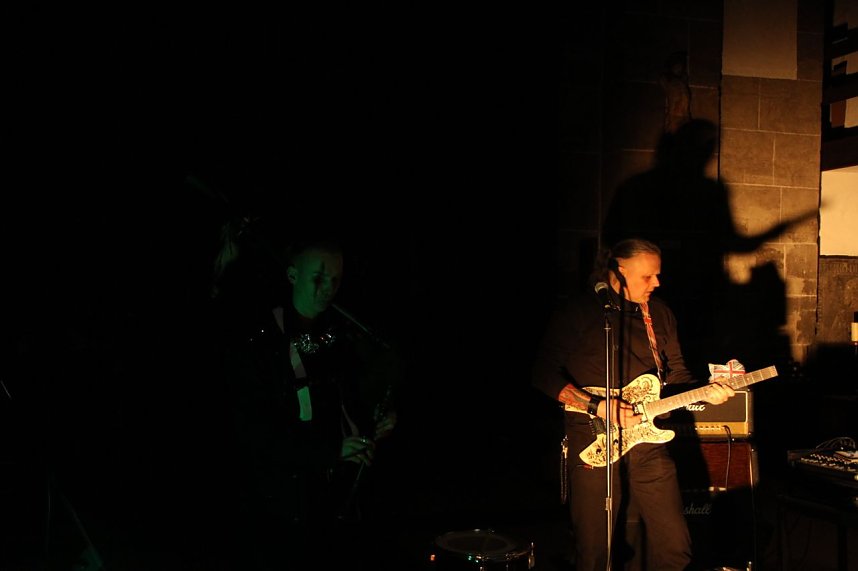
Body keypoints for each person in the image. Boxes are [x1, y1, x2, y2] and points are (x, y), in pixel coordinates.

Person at [531, 238, 735, 571]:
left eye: (658, 275)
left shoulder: (660, 314)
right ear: (617, 271)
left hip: (648, 446)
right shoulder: (579, 312)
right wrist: (598, 406)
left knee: (675, 547)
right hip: (594, 443)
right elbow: (541, 373)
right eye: (647, 277)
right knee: (595, 554)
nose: (657, 283)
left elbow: (677, 373)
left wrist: (705, 392)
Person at [212, 230, 399, 570]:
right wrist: (331, 450)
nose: (328, 288)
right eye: (318, 277)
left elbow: (346, 403)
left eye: (335, 279)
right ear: (293, 274)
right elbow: (255, 434)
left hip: (333, 505)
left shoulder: (339, 336)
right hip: (280, 511)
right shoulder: (260, 343)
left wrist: (374, 425)